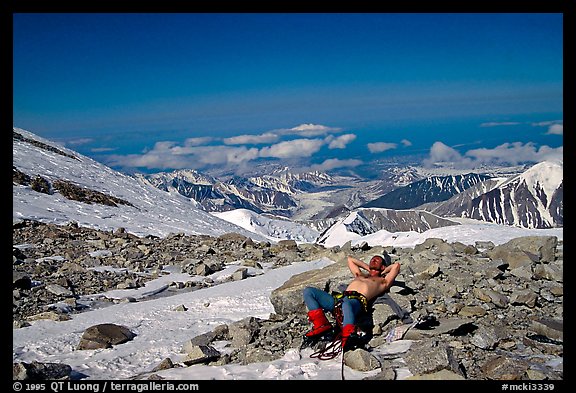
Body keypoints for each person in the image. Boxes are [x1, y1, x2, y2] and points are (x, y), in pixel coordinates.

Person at [302, 253, 401, 350]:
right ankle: (321, 325)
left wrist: (381, 271)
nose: (373, 260)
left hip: (356, 302)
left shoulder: (382, 282)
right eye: (372, 259)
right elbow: (350, 260)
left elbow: (396, 266)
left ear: (383, 266)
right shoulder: (360, 275)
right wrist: (369, 268)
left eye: (377, 260)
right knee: (309, 291)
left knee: (347, 304)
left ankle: (348, 334)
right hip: (340, 300)